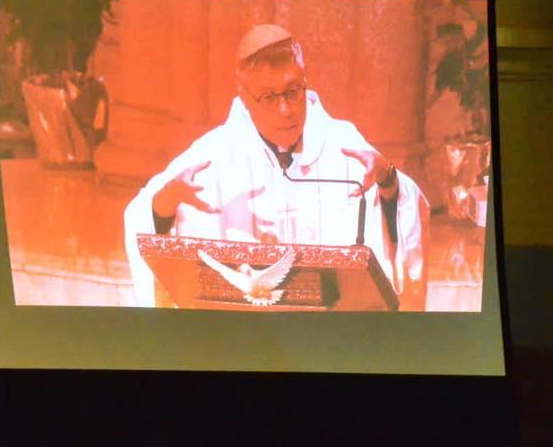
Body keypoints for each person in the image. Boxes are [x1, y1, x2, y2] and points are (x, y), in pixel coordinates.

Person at [123, 24, 429, 310]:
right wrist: (165, 203)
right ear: (244, 97)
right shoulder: (213, 155)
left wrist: (387, 178)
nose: (286, 111)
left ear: (305, 82)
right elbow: (141, 218)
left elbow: (407, 214)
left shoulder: (344, 144)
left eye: (293, 90)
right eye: (268, 97)